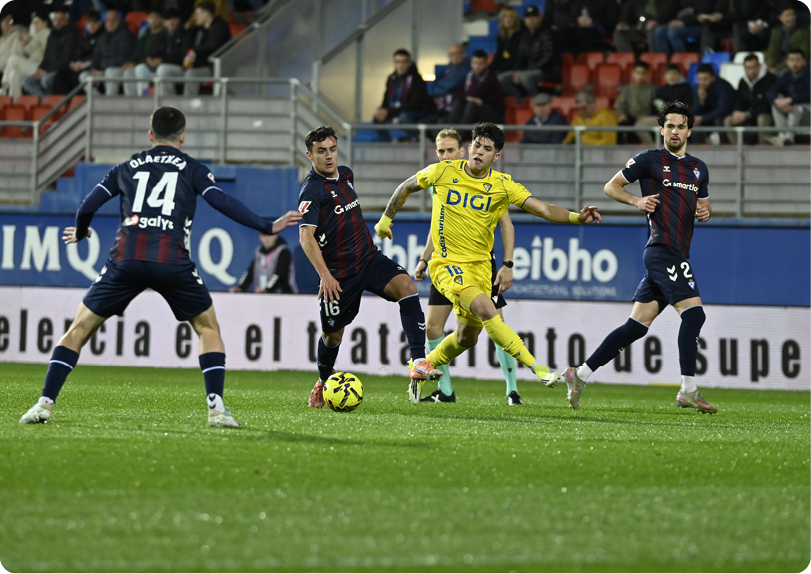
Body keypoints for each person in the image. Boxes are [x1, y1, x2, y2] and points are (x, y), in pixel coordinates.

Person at [19, 106, 303, 427]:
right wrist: (267, 226)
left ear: (150, 134)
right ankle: (216, 410)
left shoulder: (124, 168)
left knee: (79, 329)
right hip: (172, 260)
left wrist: (83, 231)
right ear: (182, 136)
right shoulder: (192, 168)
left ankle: (43, 405)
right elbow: (222, 201)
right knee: (207, 328)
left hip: (126, 259)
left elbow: (87, 206)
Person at [375, 122, 601, 404]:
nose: (479, 151)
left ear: (496, 156)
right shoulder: (443, 171)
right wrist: (385, 220)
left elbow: (542, 208)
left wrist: (576, 218)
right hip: (447, 265)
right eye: (477, 145)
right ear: (469, 147)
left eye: (487, 148)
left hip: (481, 269)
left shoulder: (502, 185)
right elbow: (405, 187)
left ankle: (421, 367)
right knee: (486, 308)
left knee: (467, 338)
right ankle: (538, 368)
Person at [562, 101, 717, 414]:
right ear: (661, 129)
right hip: (661, 250)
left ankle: (579, 375)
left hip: (675, 252)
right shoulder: (649, 160)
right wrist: (636, 200)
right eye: (669, 126)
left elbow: (705, 205)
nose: (675, 131)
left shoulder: (699, 168)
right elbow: (611, 186)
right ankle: (688, 389)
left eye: (680, 126)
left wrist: (705, 211)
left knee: (636, 326)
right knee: (694, 314)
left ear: (689, 130)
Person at [297, 126, 442, 408]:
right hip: (339, 275)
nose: (329, 156)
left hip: (368, 258)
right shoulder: (312, 190)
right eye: (321, 151)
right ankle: (324, 380)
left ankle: (417, 361)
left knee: (407, 287)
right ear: (310, 155)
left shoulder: (347, 175)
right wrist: (324, 275)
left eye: (332, 149)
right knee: (332, 335)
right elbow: (306, 236)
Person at [412, 128, 523, 405]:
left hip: (478, 265)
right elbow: (438, 227)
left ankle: (512, 390)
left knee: (495, 323)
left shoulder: (488, 181)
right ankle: (445, 391)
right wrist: (425, 258)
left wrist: (508, 263)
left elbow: (506, 224)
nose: (446, 155)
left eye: (451, 150)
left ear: (463, 151)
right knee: (433, 328)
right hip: (447, 264)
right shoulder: (441, 177)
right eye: (441, 151)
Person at [157, 1, 230, 96]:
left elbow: (212, 45)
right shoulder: (197, 29)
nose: (195, 17)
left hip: (213, 67)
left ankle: (188, 104)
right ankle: (170, 104)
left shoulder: (220, 26)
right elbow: (186, 47)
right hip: (192, 65)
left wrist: (194, 50)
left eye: (198, 14)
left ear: (207, 13)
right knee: (165, 70)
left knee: (192, 73)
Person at [500, 5, 560, 100]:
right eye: (528, 17)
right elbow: (520, 56)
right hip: (528, 70)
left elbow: (548, 58)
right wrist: (517, 71)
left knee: (525, 77)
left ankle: (535, 100)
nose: (531, 20)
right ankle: (519, 100)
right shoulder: (525, 36)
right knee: (502, 78)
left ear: (539, 17)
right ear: (525, 20)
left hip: (546, 71)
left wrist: (526, 70)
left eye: (533, 17)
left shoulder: (547, 33)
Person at [447, 49, 505, 137]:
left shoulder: (491, 78)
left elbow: (477, 92)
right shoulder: (469, 76)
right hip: (474, 110)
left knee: (472, 105)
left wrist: (469, 97)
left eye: (480, 63)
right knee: (458, 103)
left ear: (486, 64)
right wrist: (468, 97)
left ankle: (458, 136)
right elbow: (456, 93)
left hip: (492, 112)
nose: (477, 66)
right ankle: (450, 132)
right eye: (475, 63)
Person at [724, 53, 777, 145]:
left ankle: (763, 148)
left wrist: (748, 114)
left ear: (759, 66)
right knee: (728, 120)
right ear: (744, 68)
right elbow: (739, 100)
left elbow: (767, 106)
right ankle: (739, 149)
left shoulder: (770, 80)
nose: (751, 71)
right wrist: (737, 112)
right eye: (748, 68)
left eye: (754, 67)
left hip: (766, 117)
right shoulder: (743, 82)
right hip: (748, 116)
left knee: (762, 118)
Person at [373, 49, 435, 128]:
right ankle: (386, 140)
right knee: (378, 117)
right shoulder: (391, 79)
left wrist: (389, 112)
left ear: (409, 63)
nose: (401, 65)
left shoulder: (417, 79)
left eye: (404, 62)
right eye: (398, 62)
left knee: (405, 116)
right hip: (396, 110)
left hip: (418, 111)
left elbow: (414, 105)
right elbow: (386, 100)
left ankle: (412, 139)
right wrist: (382, 110)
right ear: (394, 63)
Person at [21, 9, 77, 97]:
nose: (57, 22)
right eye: (55, 19)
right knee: (27, 82)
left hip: (60, 72)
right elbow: (46, 56)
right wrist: (39, 69)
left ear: (66, 21)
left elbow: (65, 60)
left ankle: (51, 101)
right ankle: (46, 100)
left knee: (46, 79)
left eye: (61, 20)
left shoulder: (71, 37)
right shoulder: (51, 36)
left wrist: (46, 71)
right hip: (48, 70)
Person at [81, 10, 135, 96]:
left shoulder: (126, 35)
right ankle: (98, 102)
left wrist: (102, 70)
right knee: (84, 76)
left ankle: (110, 101)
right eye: (108, 21)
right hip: (103, 70)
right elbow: (96, 56)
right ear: (104, 22)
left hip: (119, 69)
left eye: (113, 20)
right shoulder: (102, 37)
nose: (110, 23)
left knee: (110, 72)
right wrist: (94, 70)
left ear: (119, 21)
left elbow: (123, 58)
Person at [52, 9, 103, 95]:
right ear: (85, 24)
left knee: (78, 77)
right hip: (78, 67)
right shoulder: (83, 39)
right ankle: (67, 104)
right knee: (60, 75)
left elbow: (99, 57)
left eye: (94, 22)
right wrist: (74, 64)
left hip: (92, 67)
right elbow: (75, 56)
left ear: (99, 23)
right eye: (89, 22)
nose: (91, 25)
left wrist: (85, 64)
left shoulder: (102, 38)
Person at [766, 48, 810, 145]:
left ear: (803, 62)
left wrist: (790, 100)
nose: (795, 63)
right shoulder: (786, 76)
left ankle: (789, 136)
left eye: (798, 60)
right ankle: (782, 135)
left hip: (807, 113)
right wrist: (778, 101)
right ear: (787, 62)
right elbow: (771, 91)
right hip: (793, 113)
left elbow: (808, 94)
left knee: (797, 106)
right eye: (792, 60)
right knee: (775, 104)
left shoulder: (809, 74)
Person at [229, 232, 298, 293]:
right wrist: (241, 287)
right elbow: (251, 271)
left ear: (276, 236)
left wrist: (267, 289)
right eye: (264, 235)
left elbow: (279, 274)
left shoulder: (283, 251)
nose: (267, 239)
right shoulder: (259, 252)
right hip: (264, 296)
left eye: (270, 235)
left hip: (286, 296)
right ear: (259, 237)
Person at [2, 11, 50, 98]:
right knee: (13, 74)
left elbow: (43, 53)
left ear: (45, 22)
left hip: (40, 66)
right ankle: (15, 103)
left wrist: (29, 42)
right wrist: (25, 43)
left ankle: (4, 87)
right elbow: (22, 53)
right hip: (30, 65)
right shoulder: (34, 35)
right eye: (34, 23)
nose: (35, 25)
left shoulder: (47, 34)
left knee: (13, 59)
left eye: (37, 22)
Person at [121, 8, 166, 96]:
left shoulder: (165, 35)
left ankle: (143, 97)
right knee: (128, 72)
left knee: (140, 68)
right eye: (151, 17)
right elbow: (138, 53)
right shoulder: (145, 36)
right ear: (147, 19)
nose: (153, 20)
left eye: (156, 18)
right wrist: (132, 62)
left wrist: (139, 63)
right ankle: (132, 101)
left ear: (162, 20)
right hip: (144, 65)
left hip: (157, 67)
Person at [142, 10, 185, 97]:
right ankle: (143, 98)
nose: (171, 22)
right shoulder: (162, 35)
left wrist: (162, 60)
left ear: (179, 20)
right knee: (141, 68)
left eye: (174, 19)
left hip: (180, 68)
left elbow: (182, 56)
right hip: (162, 66)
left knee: (163, 68)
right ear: (164, 21)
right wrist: (150, 58)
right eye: (168, 19)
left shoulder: (184, 34)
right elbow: (155, 51)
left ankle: (169, 101)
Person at [693, 63, 735, 143]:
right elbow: (696, 111)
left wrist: (703, 118)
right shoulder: (698, 88)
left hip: (723, 117)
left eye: (705, 79)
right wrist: (701, 101)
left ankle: (725, 149)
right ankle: (698, 150)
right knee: (693, 122)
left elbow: (723, 110)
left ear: (713, 78)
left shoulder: (724, 87)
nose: (702, 82)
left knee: (719, 121)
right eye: (699, 79)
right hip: (708, 118)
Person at [616, 61, 656, 144]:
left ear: (647, 75)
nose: (640, 76)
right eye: (638, 73)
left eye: (643, 73)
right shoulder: (627, 89)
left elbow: (655, 108)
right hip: (631, 117)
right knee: (621, 124)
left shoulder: (652, 90)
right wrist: (621, 113)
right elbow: (621, 105)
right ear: (633, 74)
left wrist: (647, 116)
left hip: (645, 118)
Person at [427, 43, 468, 124]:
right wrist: (442, 91)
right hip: (441, 107)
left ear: (463, 54)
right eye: (452, 54)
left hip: (456, 108)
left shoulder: (467, 68)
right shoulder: (446, 69)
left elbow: (452, 84)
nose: (454, 56)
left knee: (439, 126)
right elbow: (434, 87)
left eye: (457, 53)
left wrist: (441, 90)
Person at [765, 5, 809, 74]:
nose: (790, 18)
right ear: (780, 17)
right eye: (787, 15)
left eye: (792, 15)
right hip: (780, 62)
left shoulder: (804, 31)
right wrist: (771, 65)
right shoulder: (776, 31)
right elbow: (772, 50)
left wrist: (779, 67)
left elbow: (804, 52)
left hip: (796, 63)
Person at [491, 6, 524, 79]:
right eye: (505, 17)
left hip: (517, 69)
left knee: (500, 79)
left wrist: (500, 70)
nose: (508, 19)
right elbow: (499, 56)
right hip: (505, 68)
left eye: (511, 17)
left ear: (515, 19)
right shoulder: (501, 37)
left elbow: (516, 59)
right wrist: (489, 70)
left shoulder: (520, 35)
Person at [0, 14, 28, 83]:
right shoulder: (1, 39)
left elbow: (15, 53)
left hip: (6, 69)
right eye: (5, 20)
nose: (7, 23)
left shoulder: (16, 34)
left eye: (10, 21)